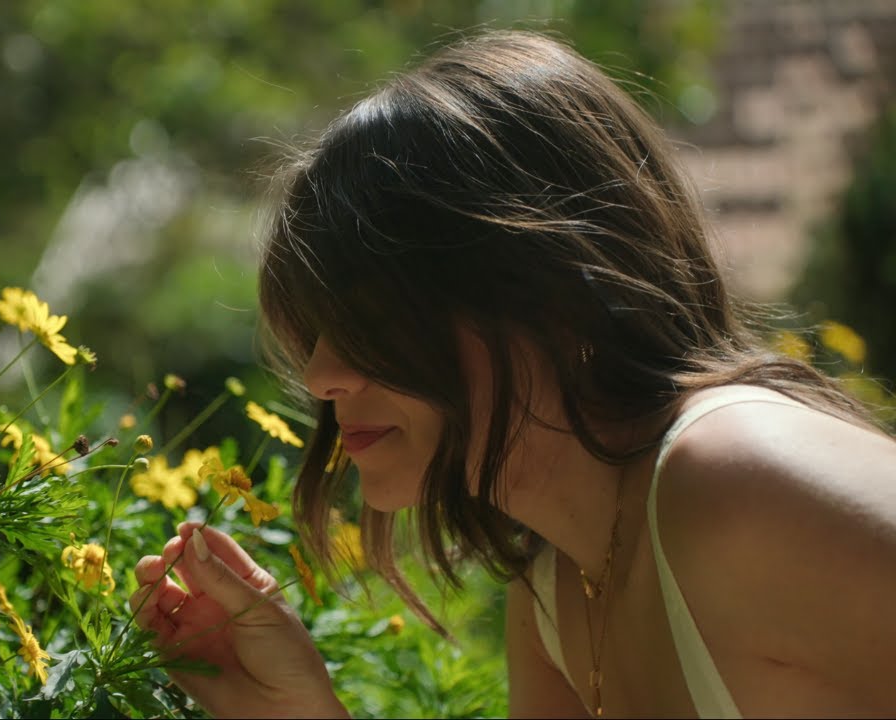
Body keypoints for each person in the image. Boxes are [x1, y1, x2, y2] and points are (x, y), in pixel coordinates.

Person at [130, 28, 896, 718]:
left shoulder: (733, 480)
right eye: (319, 334)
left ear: (544, 293)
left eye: (369, 323)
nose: (324, 376)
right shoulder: (558, 592)